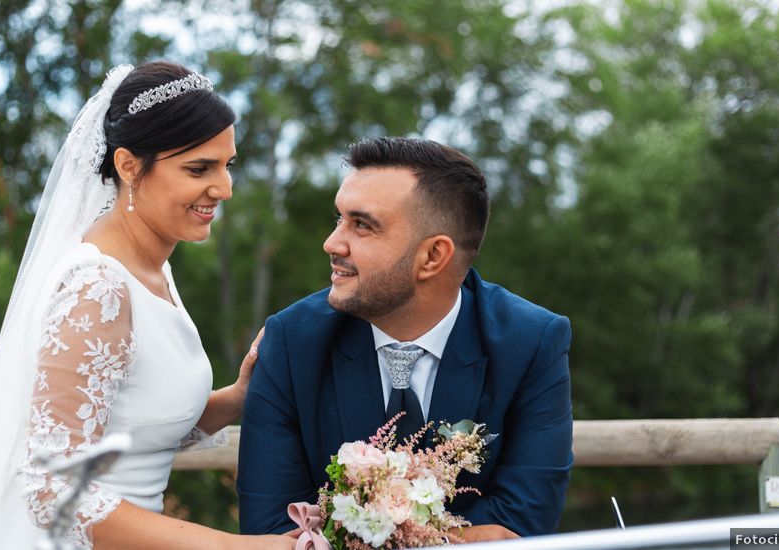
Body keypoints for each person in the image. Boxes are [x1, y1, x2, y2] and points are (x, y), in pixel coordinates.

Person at [0, 62, 295, 550]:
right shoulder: (98, 286)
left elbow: (130, 430)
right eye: (199, 169)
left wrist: (236, 396)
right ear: (129, 166)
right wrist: (240, 547)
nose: (224, 188)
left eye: (226, 164)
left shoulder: (153, 270)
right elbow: (53, 487)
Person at [237, 137, 573, 541]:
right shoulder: (291, 342)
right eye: (338, 219)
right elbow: (269, 529)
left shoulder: (532, 342)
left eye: (362, 225)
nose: (332, 243)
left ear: (433, 256)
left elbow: (523, 523)